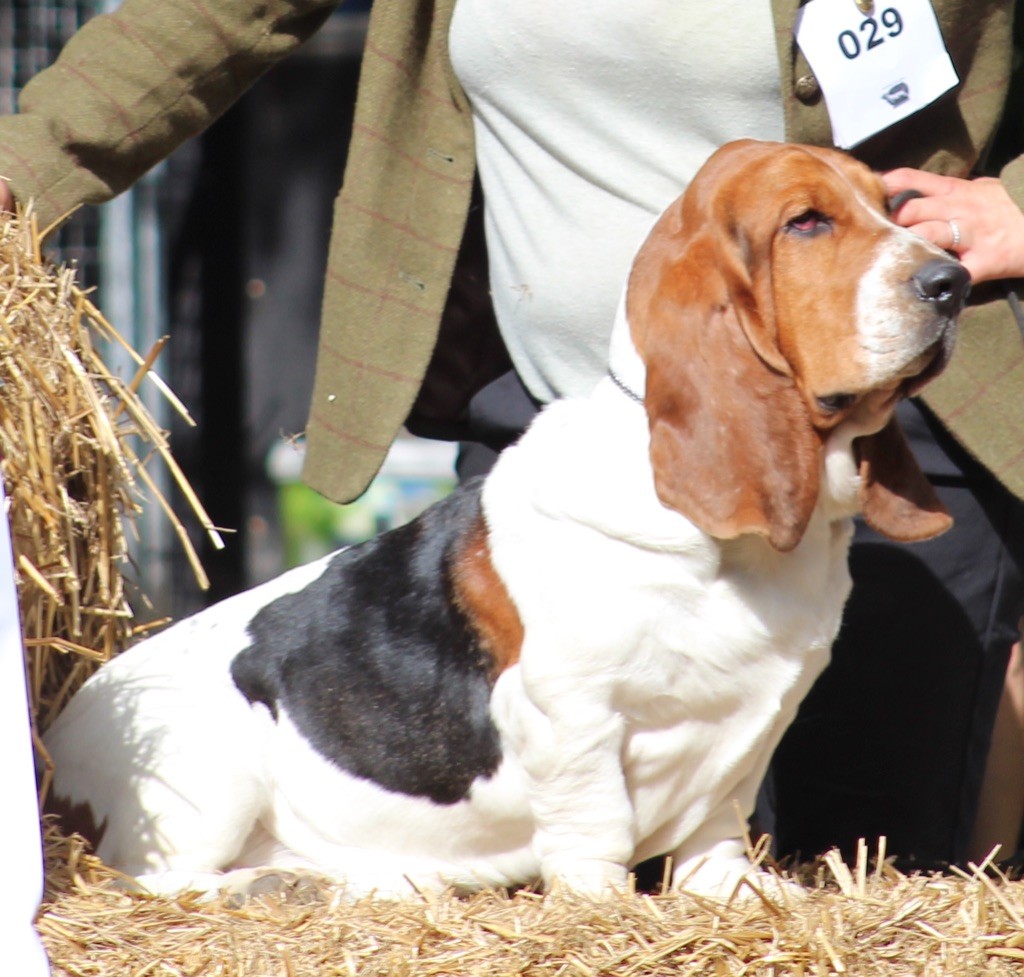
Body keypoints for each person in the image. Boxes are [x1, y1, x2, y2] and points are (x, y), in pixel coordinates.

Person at [2, 0, 1024, 873]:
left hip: (884, 446)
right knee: (542, 890)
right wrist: (19, 175)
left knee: (853, 877)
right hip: (554, 454)